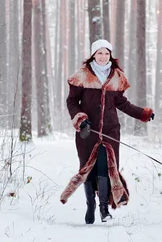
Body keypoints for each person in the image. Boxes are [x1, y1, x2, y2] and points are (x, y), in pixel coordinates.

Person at [60, 39, 154, 224]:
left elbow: (122, 103)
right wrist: (80, 119)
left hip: (111, 130)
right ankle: (90, 206)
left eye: (106, 53)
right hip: (87, 131)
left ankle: (104, 209)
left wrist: (142, 114)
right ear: (93, 54)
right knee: (88, 170)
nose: (103, 56)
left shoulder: (116, 77)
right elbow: (71, 102)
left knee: (107, 168)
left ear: (110, 55)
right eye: (100, 53)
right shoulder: (82, 76)